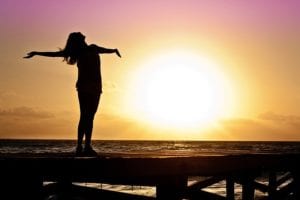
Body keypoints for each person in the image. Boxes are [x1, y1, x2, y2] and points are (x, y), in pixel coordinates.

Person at [24, 32, 121, 156]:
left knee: (89, 117)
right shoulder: (79, 52)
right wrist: (37, 53)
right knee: (86, 116)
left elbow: (106, 50)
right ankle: (82, 146)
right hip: (85, 87)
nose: (82, 34)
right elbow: (54, 54)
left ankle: (85, 146)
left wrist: (114, 50)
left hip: (96, 87)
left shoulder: (93, 48)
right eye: (79, 35)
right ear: (78, 40)